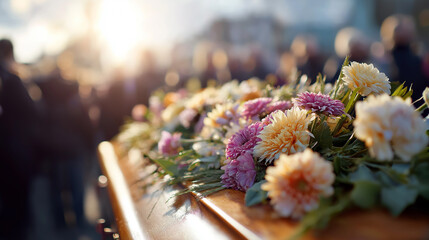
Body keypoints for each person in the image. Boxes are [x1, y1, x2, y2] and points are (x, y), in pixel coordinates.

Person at [0, 38, 37, 240]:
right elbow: (33, 110)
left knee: (7, 201)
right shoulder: (13, 79)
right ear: (10, 55)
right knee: (18, 203)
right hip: (16, 152)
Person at [381, 14, 428, 102]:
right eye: (399, 29)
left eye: (407, 30)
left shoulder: (419, 59)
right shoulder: (383, 58)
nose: (403, 33)